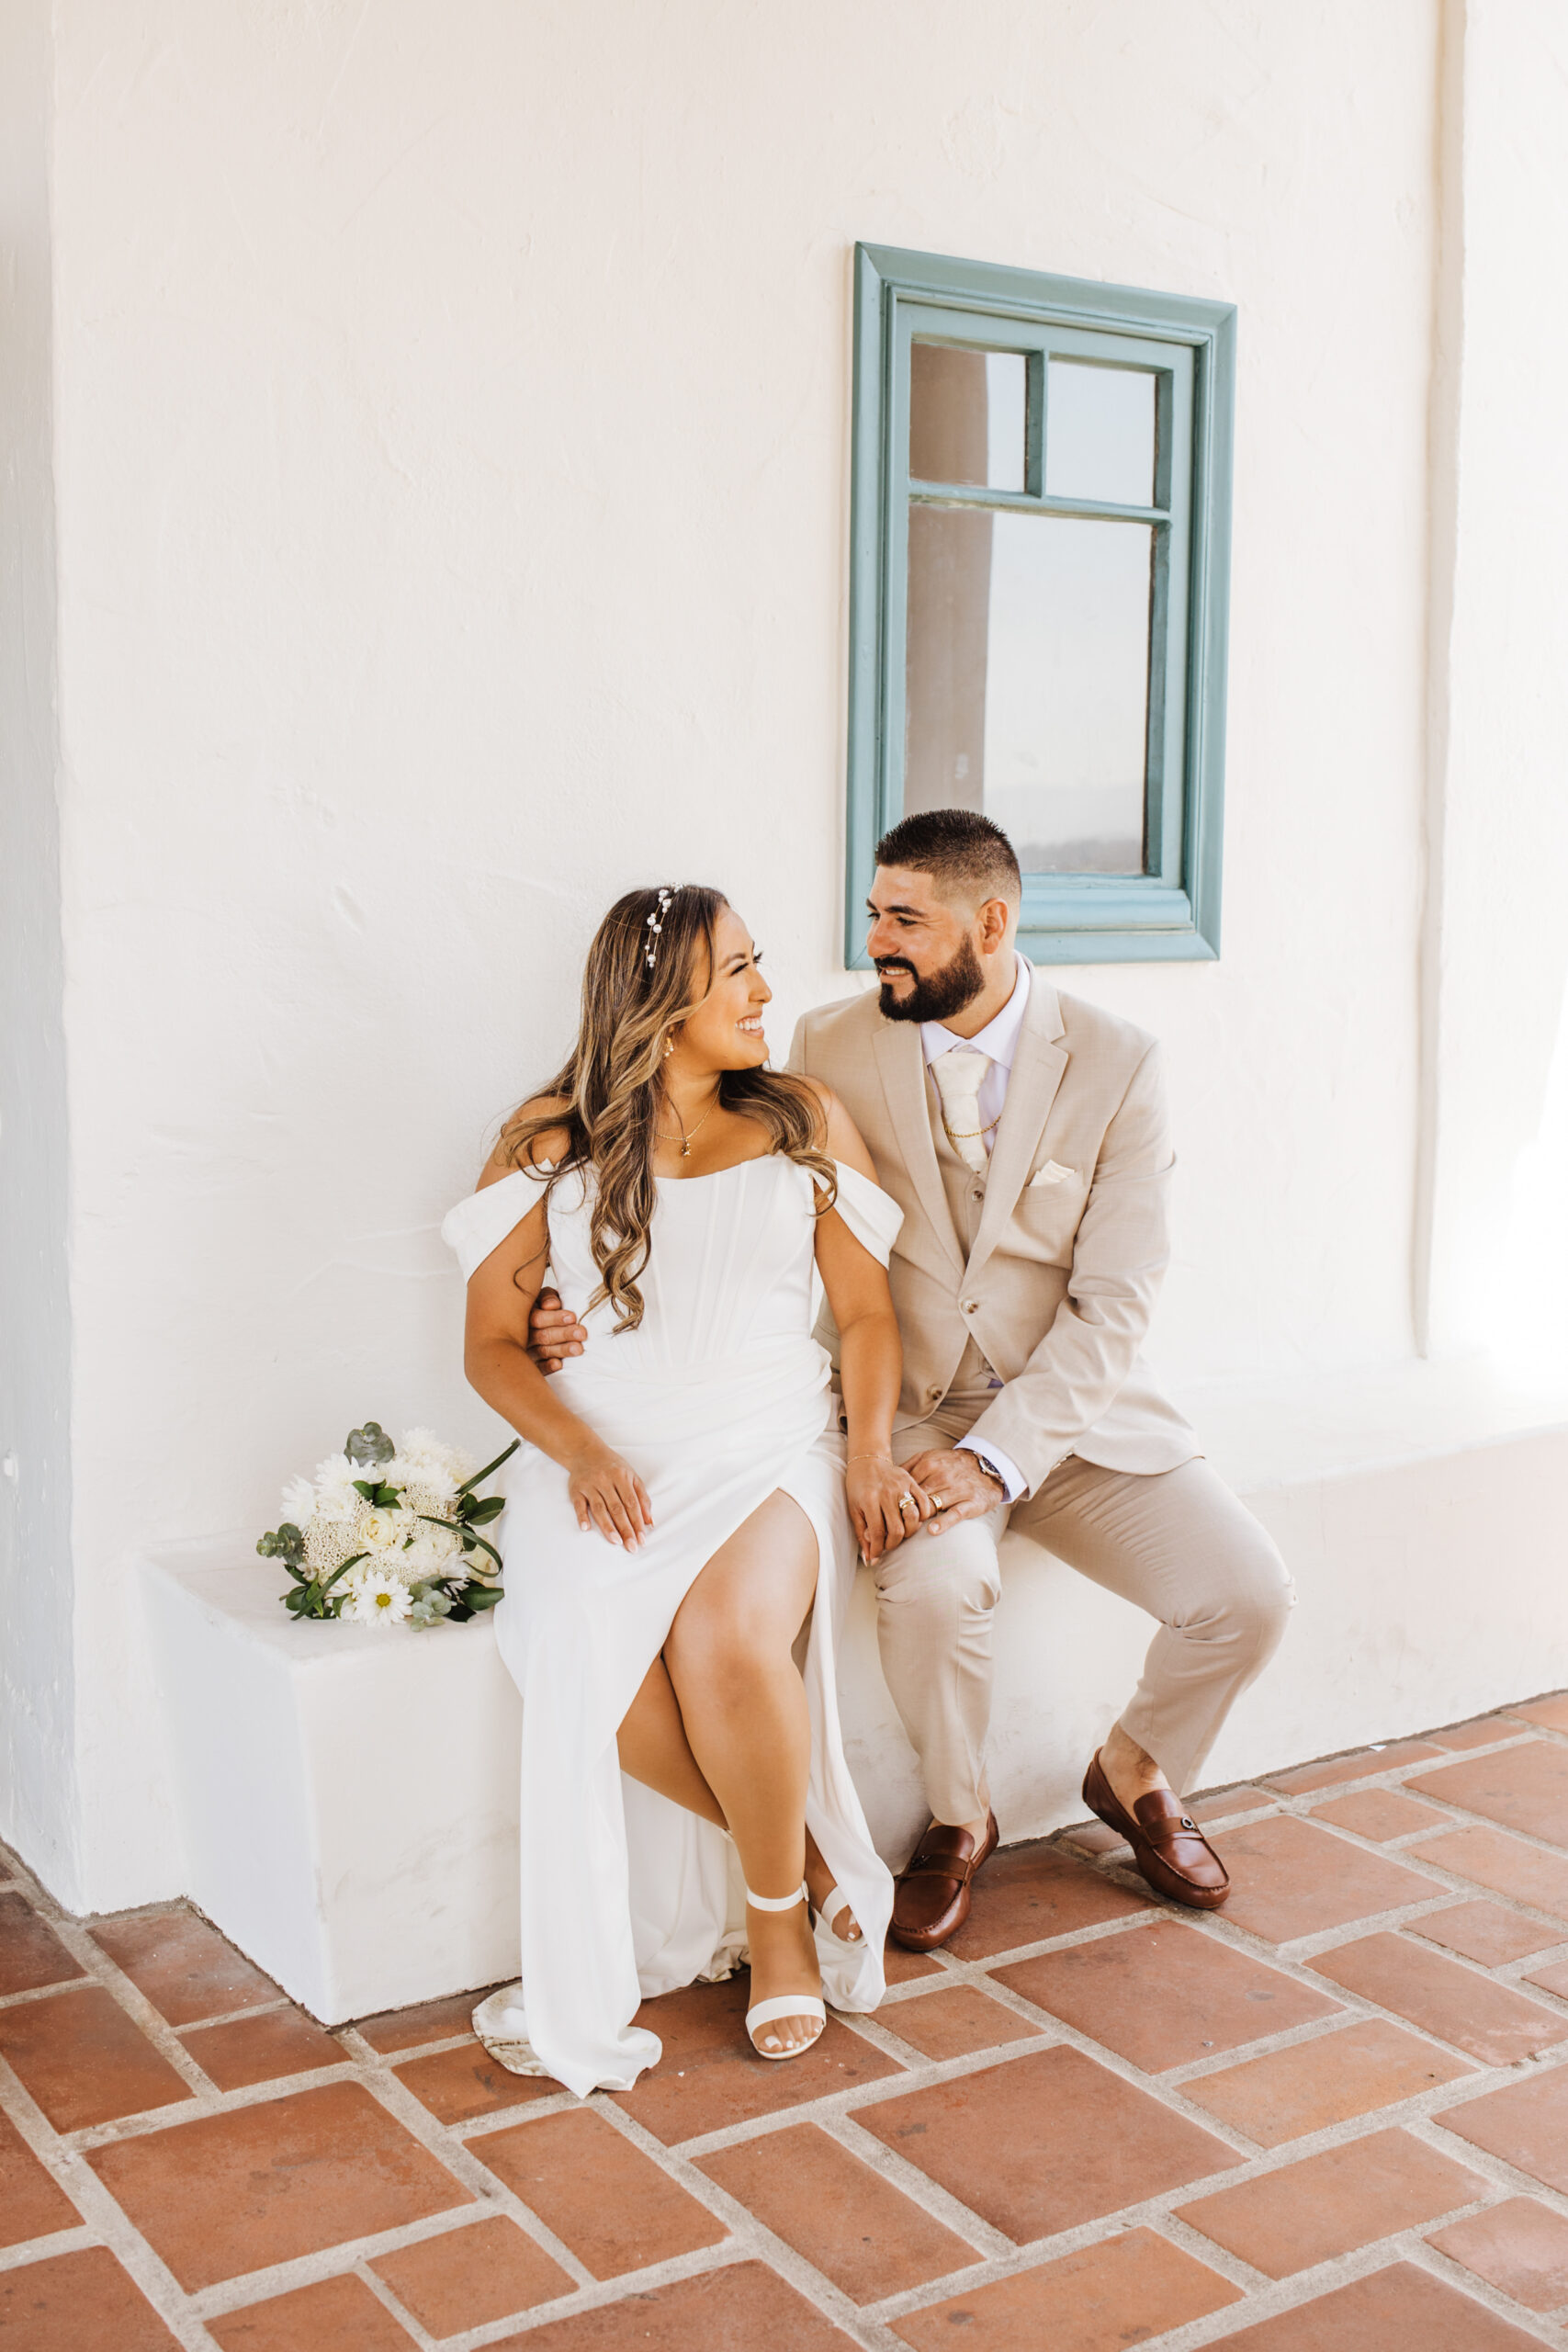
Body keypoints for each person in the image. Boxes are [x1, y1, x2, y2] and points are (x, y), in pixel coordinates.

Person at [530, 812, 1294, 1953]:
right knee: (935, 1593)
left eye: (904, 919)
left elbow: (1117, 1304)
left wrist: (998, 1460)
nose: (874, 938)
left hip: (1077, 1421)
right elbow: (732, 1202)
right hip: (907, 1416)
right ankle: (958, 1817)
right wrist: (575, 1300)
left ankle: (1136, 1765)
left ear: (990, 922)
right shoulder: (825, 1046)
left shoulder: (1122, 1062)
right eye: (874, 910)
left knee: (1248, 1596)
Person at [442, 883, 924, 2097]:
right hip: (610, 1455)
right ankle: (811, 1866)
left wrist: (865, 1451)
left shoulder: (803, 1119)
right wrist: (582, 1454)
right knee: (567, 1654)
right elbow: (490, 1345)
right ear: (660, 1004)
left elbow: (864, 1313)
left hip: (769, 1441)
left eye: (761, 965)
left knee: (724, 1638)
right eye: (739, 973)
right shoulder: (547, 1138)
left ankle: (773, 1926)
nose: (767, 992)